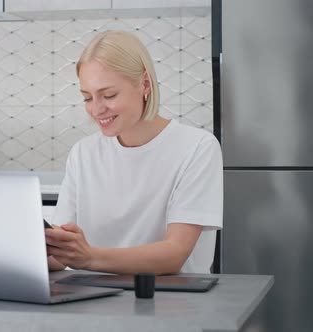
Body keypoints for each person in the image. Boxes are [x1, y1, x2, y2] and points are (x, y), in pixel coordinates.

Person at [45, 31, 223, 275]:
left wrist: (88, 258)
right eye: (87, 97)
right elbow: (60, 254)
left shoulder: (197, 147)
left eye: (109, 95)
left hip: (170, 304)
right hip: (92, 303)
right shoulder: (83, 154)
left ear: (145, 85)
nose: (96, 109)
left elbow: (174, 254)